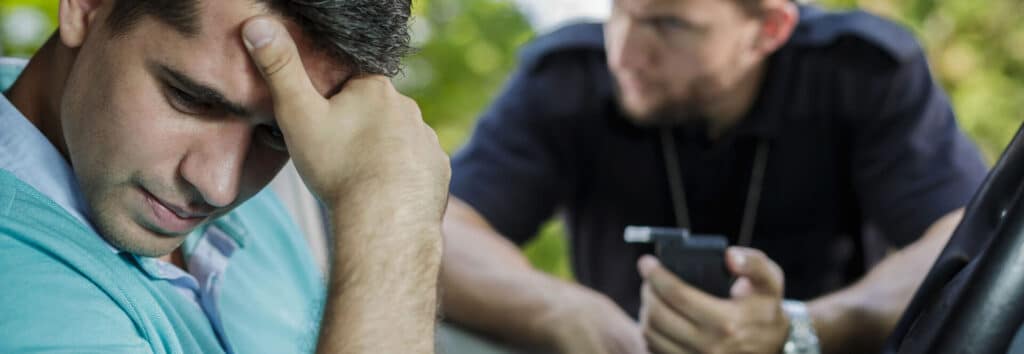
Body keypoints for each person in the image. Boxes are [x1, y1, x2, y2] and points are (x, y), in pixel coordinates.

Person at [440, 0, 988, 353]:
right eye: (618, 12)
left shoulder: (861, 71)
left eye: (668, 24)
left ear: (768, 29)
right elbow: (442, 229)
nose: (625, 52)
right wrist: (566, 315)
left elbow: (963, 240)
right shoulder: (563, 77)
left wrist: (803, 327)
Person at [0, 0, 450, 353]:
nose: (220, 186)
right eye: (191, 99)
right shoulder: (19, 292)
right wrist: (390, 217)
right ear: (87, 5)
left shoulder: (244, 204)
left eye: (276, 133)